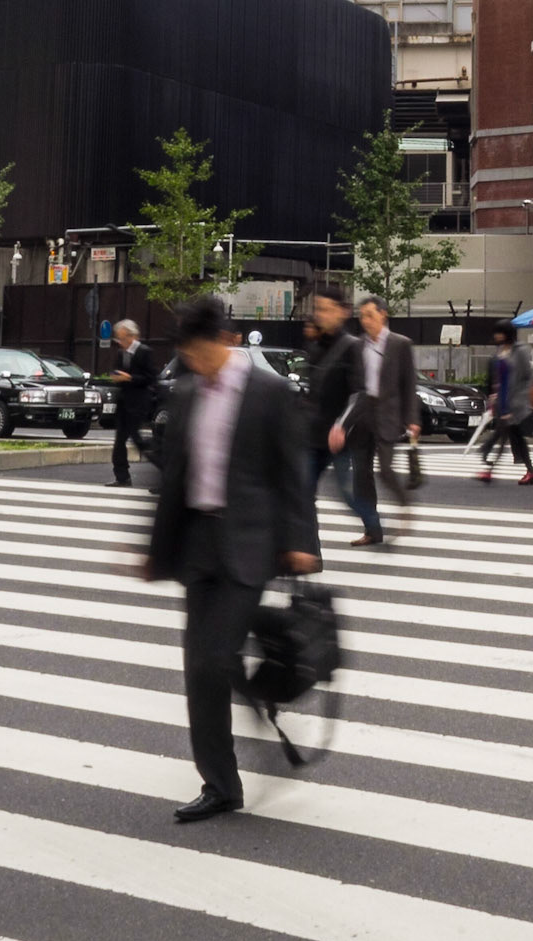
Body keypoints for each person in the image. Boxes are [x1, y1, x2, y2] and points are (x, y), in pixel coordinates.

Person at [145, 295, 318, 821]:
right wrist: (153, 550)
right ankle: (220, 784)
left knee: (214, 659)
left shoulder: (270, 393)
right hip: (198, 545)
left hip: (249, 544)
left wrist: (303, 542)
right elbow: (172, 475)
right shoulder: (188, 392)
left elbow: (294, 474)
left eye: (202, 353)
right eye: (188, 357)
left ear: (226, 341)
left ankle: (247, 687)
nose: (196, 364)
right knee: (200, 668)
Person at [332, 295, 419, 547]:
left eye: (370, 315)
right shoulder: (358, 345)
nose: (365, 320)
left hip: (389, 415)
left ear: (383, 314)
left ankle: (404, 506)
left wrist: (412, 419)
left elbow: (409, 384)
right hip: (362, 414)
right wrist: (342, 423)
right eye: (362, 316)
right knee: (361, 473)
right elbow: (355, 388)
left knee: (386, 470)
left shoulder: (401, 344)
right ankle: (372, 529)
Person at [304, 285, 377, 535]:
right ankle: (308, 551)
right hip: (313, 435)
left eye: (326, 309)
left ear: (342, 312)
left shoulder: (351, 346)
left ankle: (374, 525)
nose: (320, 314)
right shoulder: (315, 348)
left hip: (337, 437)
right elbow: (311, 393)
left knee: (345, 493)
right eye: (317, 309)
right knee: (303, 493)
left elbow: (359, 392)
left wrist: (341, 425)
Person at [476, 321, 533, 483]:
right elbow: (497, 378)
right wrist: (493, 396)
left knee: (503, 435)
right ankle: (530, 472)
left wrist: (516, 403)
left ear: (508, 333)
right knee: (515, 438)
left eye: (500, 332)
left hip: (515, 402)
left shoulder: (521, 351)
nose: (496, 336)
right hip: (501, 399)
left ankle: (489, 468)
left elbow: (527, 378)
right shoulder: (499, 352)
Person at [106, 318, 160, 488]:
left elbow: (151, 377)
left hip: (138, 402)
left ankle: (164, 467)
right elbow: (117, 371)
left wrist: (130, 378)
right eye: (118, 339)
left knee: (138, 440)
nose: (120, 342)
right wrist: (116, 377)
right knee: (119, 440)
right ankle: (122, 476)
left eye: (122, 338)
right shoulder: (121, 353)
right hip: (124, 402)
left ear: (132, 336)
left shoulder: (144, 352)